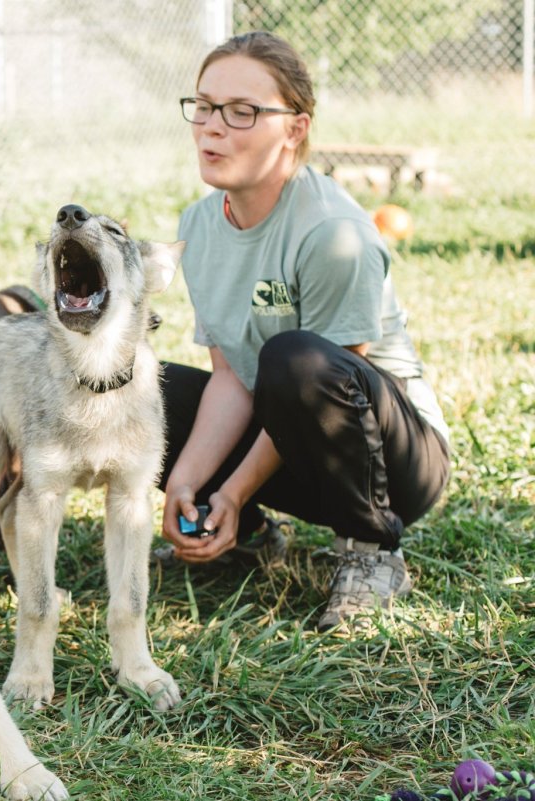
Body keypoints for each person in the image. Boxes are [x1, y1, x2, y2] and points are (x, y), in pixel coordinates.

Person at [157, 31, 451, 632]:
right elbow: (232, 379)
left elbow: (323, 387)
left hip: (391, 465)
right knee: (139, 388)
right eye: (205, 106)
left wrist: (234, 487)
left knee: (296, 360)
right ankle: (244, 534)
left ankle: (373, 552)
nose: (212, 127)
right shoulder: (199, 225)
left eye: (242, 112)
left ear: (294, 128)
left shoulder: (334, 233)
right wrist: (191, 483)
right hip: (297, 443)